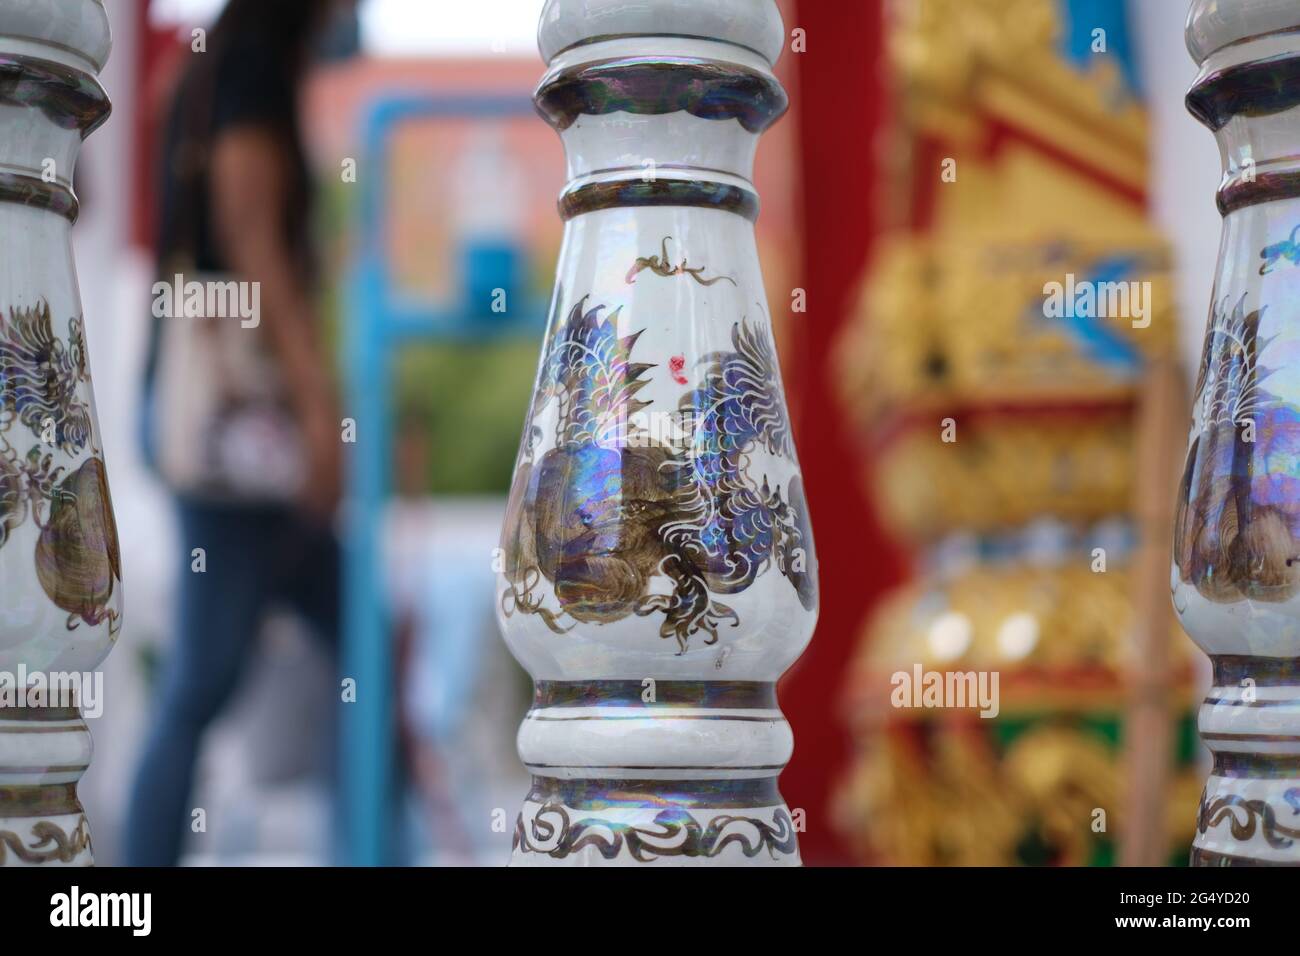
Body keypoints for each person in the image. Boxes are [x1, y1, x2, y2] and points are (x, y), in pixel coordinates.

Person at [126, 0, 350, 866]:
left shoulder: (208, 61)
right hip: (237, 434)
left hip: (207, 420)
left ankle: (374, 838)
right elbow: (254, 243)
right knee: (202, 678)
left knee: (349, 626)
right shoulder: (250, 63)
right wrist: (318, 405)